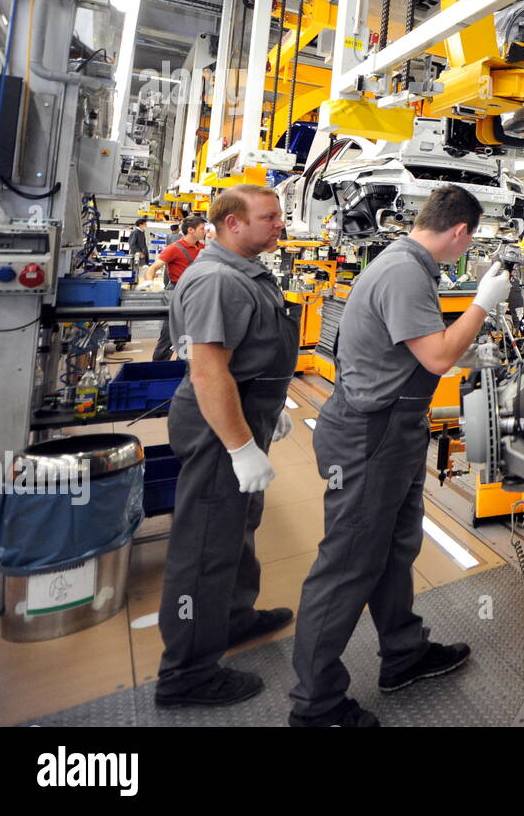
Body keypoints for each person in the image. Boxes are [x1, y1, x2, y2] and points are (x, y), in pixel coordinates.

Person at [288, 185, 512, 728]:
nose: (469, 249)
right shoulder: (405, 271)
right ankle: (314, 705)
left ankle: (404, 654)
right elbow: (435, 356)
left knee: (392, 549)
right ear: (459, 231)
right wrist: (484, 301)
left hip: (394, 427)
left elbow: (413, 350)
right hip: (371, 435)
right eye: (471, 239)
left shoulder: (409, 264)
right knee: (348, 564)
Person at [154, 185, 299, 709]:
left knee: (239, 525)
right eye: (269, 217)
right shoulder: (216, 278)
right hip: (220, 429)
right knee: (205, 547)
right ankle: (186, 673)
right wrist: (240, 446)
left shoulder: (243, 271)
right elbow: (209, 370)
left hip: (243, 412)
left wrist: (269, 405)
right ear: (232, 223)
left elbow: (244, 357)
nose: (279, 224)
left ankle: (233, 619)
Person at [144, 215, 206, 361]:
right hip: (177, 292)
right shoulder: (173, 248)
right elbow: (153, 268)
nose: (205, 232)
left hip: (196, 293)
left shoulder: (203, 248)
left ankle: (181, 368)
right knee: (169, 334)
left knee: (189, 334)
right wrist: (150, 285)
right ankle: (157, 370)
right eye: (202, 229)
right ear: (191, 230)